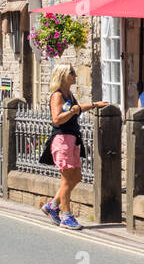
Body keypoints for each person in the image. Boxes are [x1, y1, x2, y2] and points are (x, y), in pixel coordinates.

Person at [41, 65, 108, 231]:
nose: (75, 75)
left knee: (76, 177)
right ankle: (67, 216)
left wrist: (93, 105)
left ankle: (52, 205)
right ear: (64, 75)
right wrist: (72, 111)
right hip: (62, 140)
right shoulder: (57, 96)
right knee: (66, 180)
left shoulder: (69, 94)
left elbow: (76, 110)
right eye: (72, 73)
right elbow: (57, 119)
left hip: (72, 140)